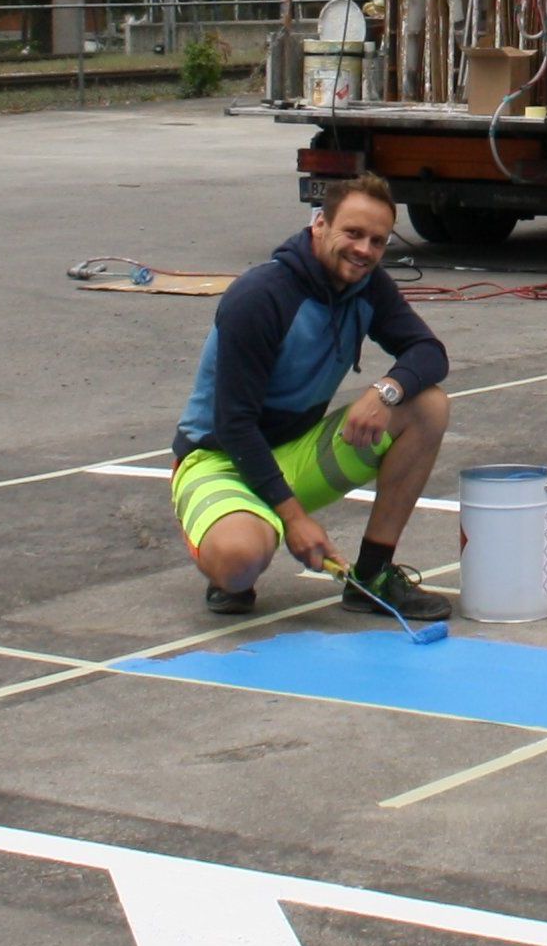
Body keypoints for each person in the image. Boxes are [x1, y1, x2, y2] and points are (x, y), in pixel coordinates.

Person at [169, 171, 452, 620]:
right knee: (239, 561)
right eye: (353, 233)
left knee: (427, 405)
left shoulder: (368, 286)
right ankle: (235, 546)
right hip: (220, 457)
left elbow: (429, 352)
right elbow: (235, 425)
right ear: (319, 224)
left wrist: (385, 391)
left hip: (295, 452)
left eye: (377, 241)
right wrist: (296, 519)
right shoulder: (260, 297)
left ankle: (372, 577)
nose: (364, 250)